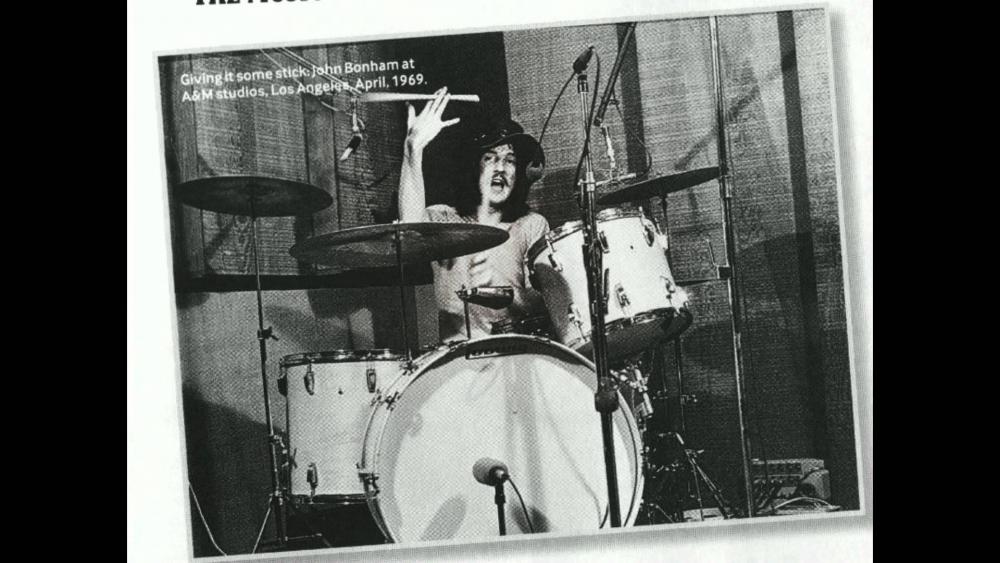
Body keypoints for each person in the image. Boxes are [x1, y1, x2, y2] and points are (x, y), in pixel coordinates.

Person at [398, 87, 550, 341]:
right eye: (490, 158)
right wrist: (412, 151)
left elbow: (545, 301)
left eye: (510, 160)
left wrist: (502, 293)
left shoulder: (531, 225)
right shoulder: (443, 219)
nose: (500, 168)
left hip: (516, 350)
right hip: (457, 354)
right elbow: (408, 229)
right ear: (473, 167)